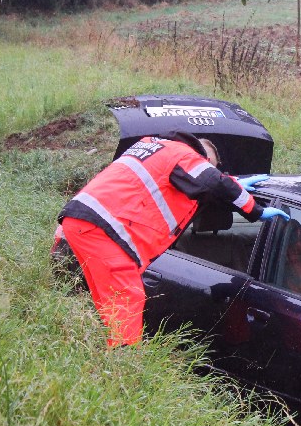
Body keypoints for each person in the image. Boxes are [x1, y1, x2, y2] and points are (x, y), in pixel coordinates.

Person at [54, 132, 287, 346]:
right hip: (104, 229)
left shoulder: (153, 146)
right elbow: (211, 181)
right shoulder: (184, 155)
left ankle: (105, 357)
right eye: (210, 168)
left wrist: (232, 182)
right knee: (127, 297)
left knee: (111, 305)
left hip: (81, 222)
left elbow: (199, 183)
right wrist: (255, 210)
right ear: (201, 158)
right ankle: (122, 367)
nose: (210, 173)